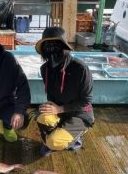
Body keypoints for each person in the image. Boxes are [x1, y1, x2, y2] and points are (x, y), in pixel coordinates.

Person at [34, 26, 94, 156]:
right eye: (47, 45)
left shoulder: (80, 68)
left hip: (79, 114)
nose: (51, 48)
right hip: (59, 109)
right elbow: (51, 96)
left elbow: (86, 100)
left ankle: (76, 137)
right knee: (42, 117)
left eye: (56, 44)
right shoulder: (45, 68)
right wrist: (48, 107)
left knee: (53, 142)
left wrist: (60, 109)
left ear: (65, 45)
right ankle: (55, 137)